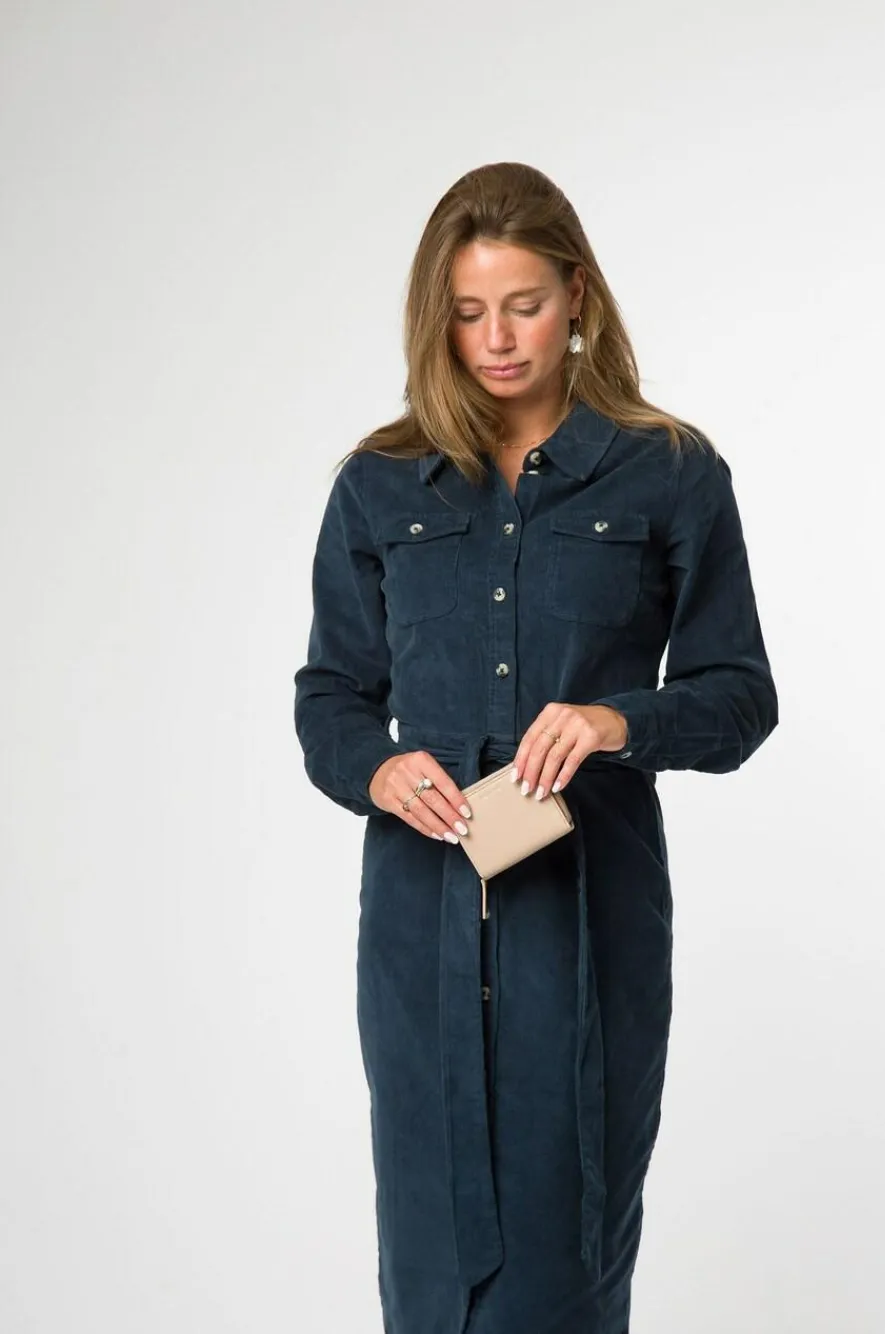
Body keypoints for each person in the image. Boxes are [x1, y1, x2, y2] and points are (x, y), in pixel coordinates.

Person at [293, 160, 779, 1334]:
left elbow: (739, 696)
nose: (497, 339)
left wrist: (618, 720)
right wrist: (377, 767)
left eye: (523, 304)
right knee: (426, 1259)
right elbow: (330, 695)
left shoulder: (669, 470)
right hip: (419, 912)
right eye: (467, 312)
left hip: (586, 914)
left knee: (567, 1252)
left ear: (578, 299)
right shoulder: (380, 482)